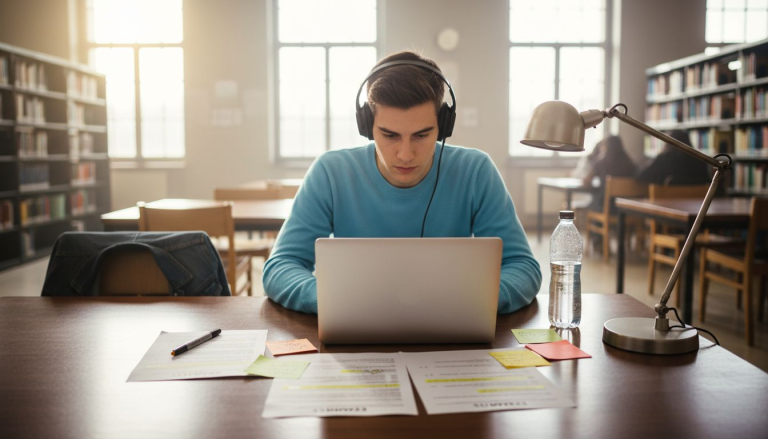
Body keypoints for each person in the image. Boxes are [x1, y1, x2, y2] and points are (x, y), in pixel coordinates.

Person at [263, 51, 541, 314]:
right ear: (367, 127)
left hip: (451, 329)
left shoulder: (475, 171)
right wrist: (335, 300)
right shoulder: (330, 172)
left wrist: (474, 302)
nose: (406, 154)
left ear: (443, 126)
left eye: (421, 135)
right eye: (390, 135)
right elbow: (281, 267)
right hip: (355, 325)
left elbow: (522, 266)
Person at [636, 130, 711, 185]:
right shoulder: (700, 160)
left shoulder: (663, 159)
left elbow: (641, 176)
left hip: (665, 203)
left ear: (667, 143)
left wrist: (649, 162)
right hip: (699, 204)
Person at [583, 135, 637, 211]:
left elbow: (586, 181)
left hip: (606, 207)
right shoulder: (630, 164)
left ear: (606, 147)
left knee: (592, 203)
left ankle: (598, 223)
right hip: (626, 208)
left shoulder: (601, 163)